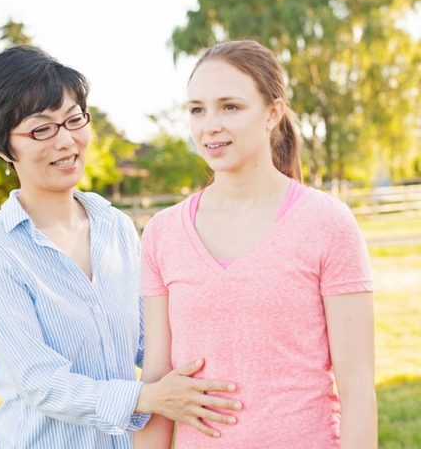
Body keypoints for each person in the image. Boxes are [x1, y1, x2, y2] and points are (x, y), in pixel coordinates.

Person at [0, 45, 241, 449]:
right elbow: (40, 383)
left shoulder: (116, 227)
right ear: (2, 147)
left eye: (74, 120)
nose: (66, 141)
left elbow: (152, 340)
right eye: (41, 128)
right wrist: (146, 397)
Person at [135, 40, 377, 448]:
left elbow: (357, 388)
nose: (210, 124)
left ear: (273, 113)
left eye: (230, 106)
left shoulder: (327, 223)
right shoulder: (162, 233)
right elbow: (159, 386)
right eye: (197, 109)